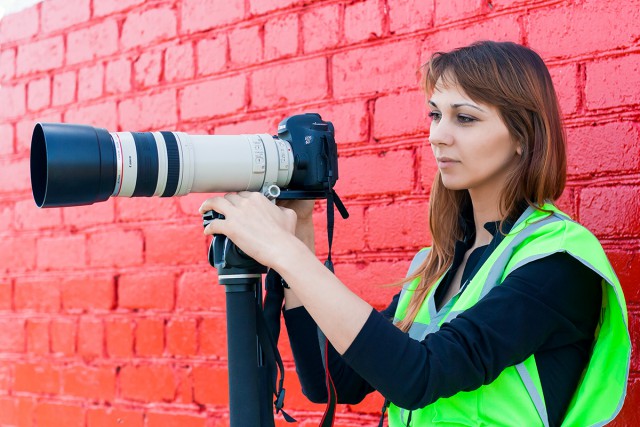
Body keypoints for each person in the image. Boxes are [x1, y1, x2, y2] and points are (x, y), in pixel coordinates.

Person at [199, 41, 630, 426]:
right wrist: (299, 236)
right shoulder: (435, 265)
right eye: (435, 114)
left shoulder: (558, 262)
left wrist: (284, 254)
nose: (438, 136)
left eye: (464, 118)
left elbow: (419, 375)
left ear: (522, 136)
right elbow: (334, 383)